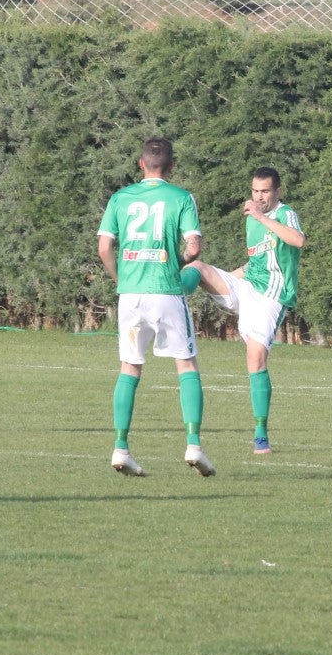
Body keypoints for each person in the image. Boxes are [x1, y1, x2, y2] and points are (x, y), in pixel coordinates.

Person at [97, 137, 213, 477]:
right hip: (165, 291)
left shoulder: (120, 198)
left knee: (129, 367)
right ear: (172, 166)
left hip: (131, 295)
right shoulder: (181, 198)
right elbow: (193, 246)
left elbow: (105, 247)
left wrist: (120, 278)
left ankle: (121, 448)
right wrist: (177, 261)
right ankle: (193, 444)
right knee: (186, 364)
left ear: (140, 163)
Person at [182, 167, 305, 454]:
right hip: (248, 287)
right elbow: (254, 265)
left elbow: (298, 241)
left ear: (277, 192)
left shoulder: (284, 214)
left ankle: (261, 434)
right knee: (196, 268)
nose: (259, 197)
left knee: (255, 357)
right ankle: (173, 294)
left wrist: (262, 216)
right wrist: (226, 278)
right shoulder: (253, 222)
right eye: (255, 191)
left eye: (265, 191)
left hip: (272, 294)